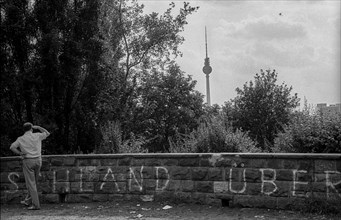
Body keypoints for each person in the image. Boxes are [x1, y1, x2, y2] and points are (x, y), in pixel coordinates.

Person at [10, 122, 50, 210]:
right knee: (34, 182)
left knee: (31, 184)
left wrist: (20, 153)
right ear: (31, 128)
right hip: (38, 161)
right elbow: (47, 133)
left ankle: (36, 205)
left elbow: (12, 147)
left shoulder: (21, 139)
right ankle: (28, 200)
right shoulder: (37, 135)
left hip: (28, 161)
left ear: (24, 130)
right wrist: (39, 127)